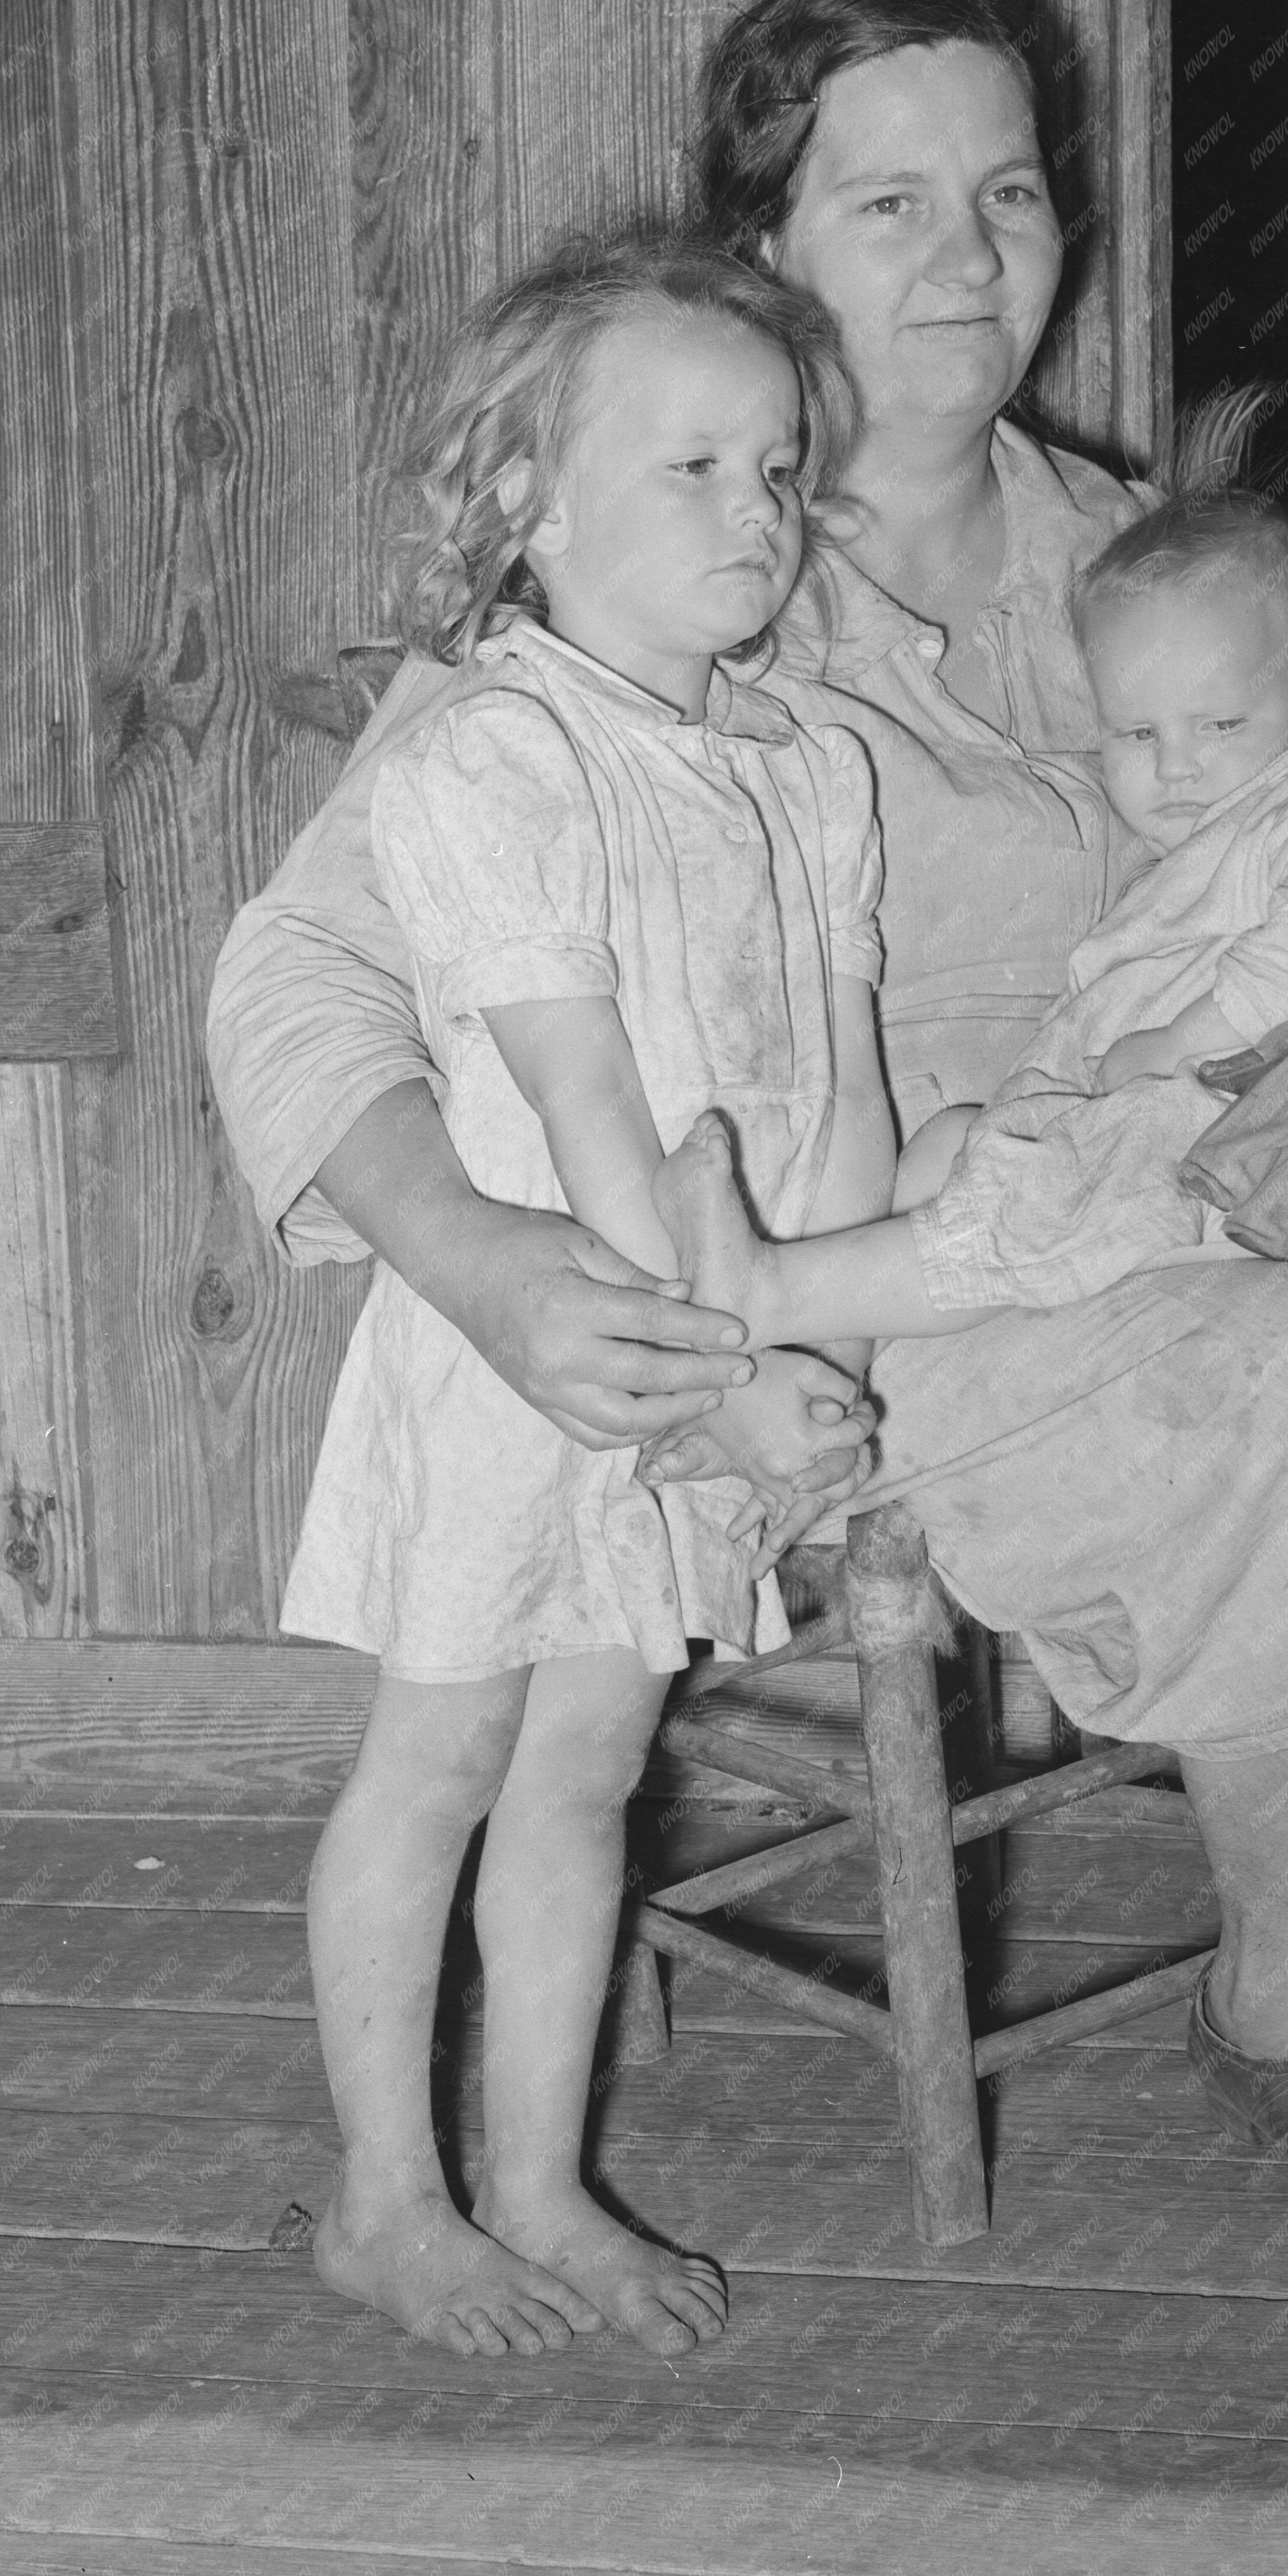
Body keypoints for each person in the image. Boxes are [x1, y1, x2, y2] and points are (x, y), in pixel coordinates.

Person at [209, 0, 1288, 2276]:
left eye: (1009, 192)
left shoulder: (1128, 544)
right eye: (888, 204)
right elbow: (299, 969)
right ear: (762, 250)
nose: (968, 256)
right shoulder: (667, 569)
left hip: (1172, 1156)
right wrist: (475, 1259)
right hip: (883, 1252)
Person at [276, 238, 891, 2360]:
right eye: (690, 466)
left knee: (586, 1766)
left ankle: (540, 2182)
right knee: (442, 1751)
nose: (754, 511)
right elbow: (592, 1114)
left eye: (778, 468)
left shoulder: (807, 764)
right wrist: (719, 1382)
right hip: (544, 1351)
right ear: (527, 500)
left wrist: (823, 1347)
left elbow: (839, 1090)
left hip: (721, 1341)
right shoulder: (493, 763)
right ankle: (385, 2196)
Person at [648, 387, 1288, 1336]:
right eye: (1136, 734)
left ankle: (778, 1299)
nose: (1176, 766)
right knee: (955, 1152)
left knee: (1050, 1197)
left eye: (1220, 724)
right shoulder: (1222, 822)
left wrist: (1192, 1035)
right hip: (1165, 1117)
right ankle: (827, 1325)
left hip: (1274, 1134)